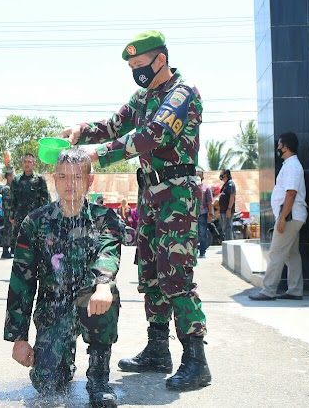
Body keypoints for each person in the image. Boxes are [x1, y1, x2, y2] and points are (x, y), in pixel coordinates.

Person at [61, 30, 210, 391]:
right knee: (151, 271)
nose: (136, 72)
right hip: (150, 193)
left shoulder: (182, 93)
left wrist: (102, 153)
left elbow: (155, 134)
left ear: (161, 59)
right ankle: (158, 349)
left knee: (176, 274)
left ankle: (196, 359)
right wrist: (82, 131)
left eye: (140, 65)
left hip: (177, 193)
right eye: (131, 67)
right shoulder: (143, 96)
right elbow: (114, 125)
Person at [4, 150, 124, 407]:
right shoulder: (35, 222)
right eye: (63, 177)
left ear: (90, 181)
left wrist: (103, 284)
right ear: (54, 180)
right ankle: (63, 362)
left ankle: (99, 377)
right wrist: (19, 337)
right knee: (47, 382)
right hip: (53, 307)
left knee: (106, 293)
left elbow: (108, 253)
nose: (70, 183)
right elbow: (21, 281)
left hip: (91, 301)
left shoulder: (106, 218)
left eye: (78, 177)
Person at [249, 132, 307, 301]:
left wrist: (281, 219)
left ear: (286, 147)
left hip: (289, 216)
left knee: (276, 253)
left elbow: (291, 194)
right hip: (292, 216)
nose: (277, 149)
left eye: (279, 146)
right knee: (291, 254)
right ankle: (295, 290)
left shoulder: (292, 166)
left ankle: (268, 291)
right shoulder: (290, 165)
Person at [9, 153, 50, 246]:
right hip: (20, 217)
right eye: (25, 162)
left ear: (34, 164)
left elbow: (45, 198)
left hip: (36, 216)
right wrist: (11, 216)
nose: (27, 164)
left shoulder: (40, 179)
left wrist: (45, 215)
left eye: (29, 162)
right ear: (22, 163)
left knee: (36, 242)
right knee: (20, 243)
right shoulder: (16, 180)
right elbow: (13, 199)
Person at [197, 171, 214, 258]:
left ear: (202, 177)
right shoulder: (191, 187)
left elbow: (210, 202)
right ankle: (193, 252)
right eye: (196, 175)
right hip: (192, 215)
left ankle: (202, 252)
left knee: (203, 234)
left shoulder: (206, 188)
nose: (198, 176)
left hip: (202, 214)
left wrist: (210, 214)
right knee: (193, 234)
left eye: (199, 175)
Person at [1, 170, 15, 259]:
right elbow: (8, 202)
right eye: (13, 175)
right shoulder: (6, 188)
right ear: (9, 177)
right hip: (8, 213)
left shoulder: (12, 187)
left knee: (11, 232)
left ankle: (12, 249)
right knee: (7, 232)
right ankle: (5, 251)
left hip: (11, 213)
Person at [219, 169, 236, 241]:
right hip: (223, 211)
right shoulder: (225, 185)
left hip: (227, 211)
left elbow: (232, 196)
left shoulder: (230, 184)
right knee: (224, 229)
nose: (220, 175)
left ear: (226, 175)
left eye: (222, 174)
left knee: (228, 228)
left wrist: (229, 209)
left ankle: (229, 244)